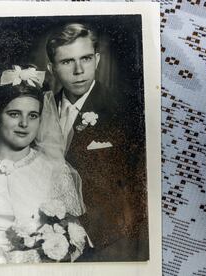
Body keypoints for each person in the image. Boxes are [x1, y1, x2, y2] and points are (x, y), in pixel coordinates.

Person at [0, 65, 85, 264]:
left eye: (32, 116)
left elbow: (74, 237)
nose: (24, 124)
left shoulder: (54, 170)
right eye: (14, 114)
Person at [46, 23, 149, 261]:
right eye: (67, 61)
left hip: (108, 244)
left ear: (98, 59)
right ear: (52, 68)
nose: (79, 70)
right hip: (52, 240)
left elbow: (139, 190)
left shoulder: (124, 111)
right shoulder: (40, 110)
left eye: (86, 58)